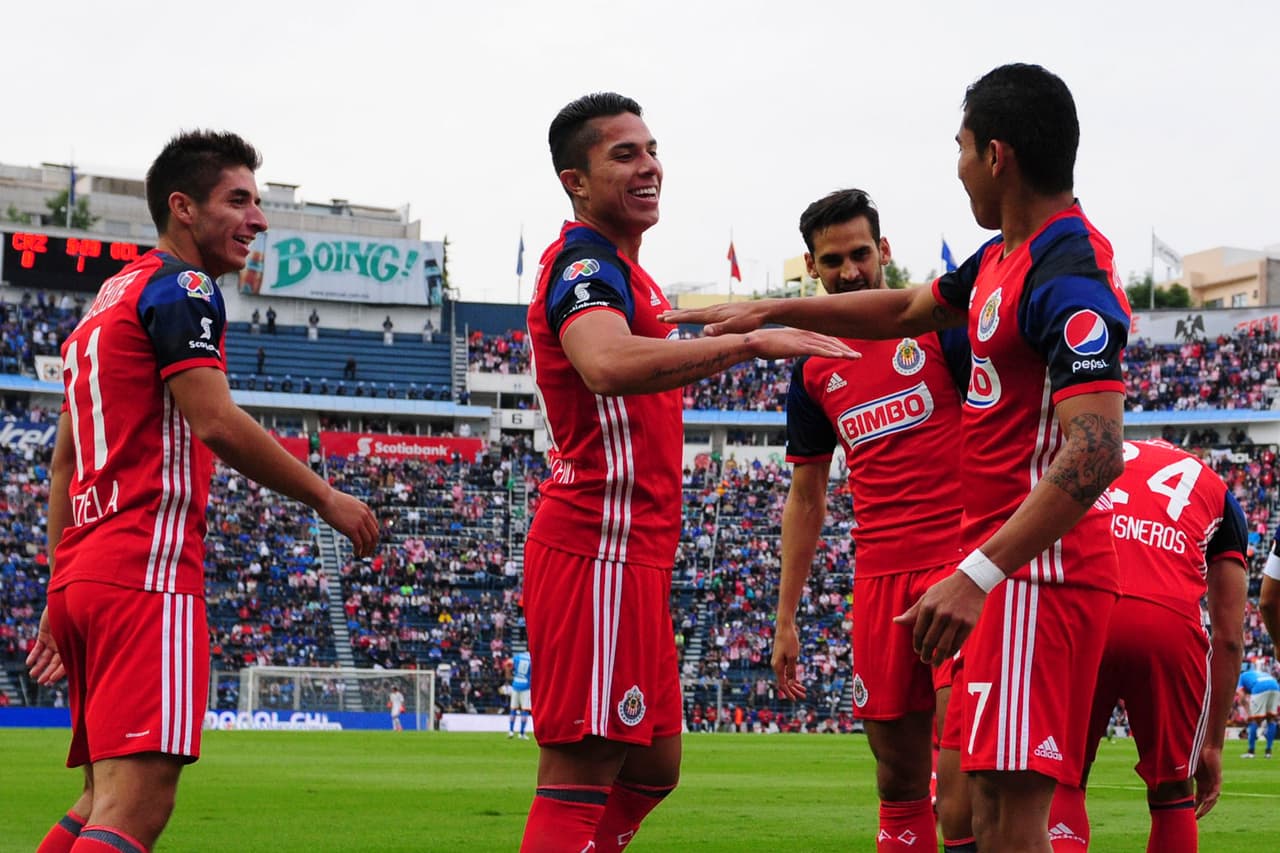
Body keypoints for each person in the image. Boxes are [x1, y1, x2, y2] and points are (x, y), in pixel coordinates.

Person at [662, 64, 1131, 851]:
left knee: (1002, 817)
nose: (955, 164)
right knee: (983, 813)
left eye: (960, 146)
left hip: (1024, 575)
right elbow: (907, 306)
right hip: (985, 574)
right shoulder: (1001, 260)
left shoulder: (1067, 273)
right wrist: (773, 309)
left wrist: (977, 570)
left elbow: (1098, 450)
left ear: (996, 157)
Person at [23, 130, 380, 853]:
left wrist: (58, 585)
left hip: (86, 573)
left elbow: (63, 464)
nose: (258, 218)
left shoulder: (106, 299)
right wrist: (325, 497)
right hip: (143, 573)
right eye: (238, 200)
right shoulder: (183, 288)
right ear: (183, 208)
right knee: (134, 809)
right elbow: (215, 420)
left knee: (98, 796)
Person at [521, 92, 856, 853]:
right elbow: (603, 363)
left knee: (654, 767)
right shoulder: (582, 263)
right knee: (580, 776)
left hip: (635, 554)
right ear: (575, 180)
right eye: (624, 154)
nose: (649, 167)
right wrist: (750, 345)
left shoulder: (636, 278)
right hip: (594, 549)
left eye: (651, 150)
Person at [773, 188, 972, 852]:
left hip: (960, 566)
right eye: (834, 260)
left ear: (884, 249)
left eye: (861, 253)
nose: (851, 270)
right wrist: (786, 616)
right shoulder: (810, 369)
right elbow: (806, 496)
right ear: (813, 266)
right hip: (880, 579)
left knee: (965, 778)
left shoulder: (941, 326)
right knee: (898, 780)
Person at [1049, 439, 1247, 852]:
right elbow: (1229, 638)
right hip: (1168, 623)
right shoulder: (1214, 487)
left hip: (1087, 608)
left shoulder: (1087, 454)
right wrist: (1211, 745)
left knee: (1063, 778)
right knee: (1173, 793)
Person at [1237, 660, 1280, 759]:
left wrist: (1249, 714)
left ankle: (1251, 752)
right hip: (1275, 686)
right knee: (1271, 719)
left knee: (1254, 721)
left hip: (1260, 687)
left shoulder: (1241, 677)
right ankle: (1268, 752)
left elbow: (1242, 697)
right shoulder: (1258, 673)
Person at [509, 649, 533, 740]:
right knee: (525, 711)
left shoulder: (518, 656)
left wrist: (511, 675)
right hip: (526, 687)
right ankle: (521, 733)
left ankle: (511, 731)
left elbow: (508, 663)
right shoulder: (531, 659)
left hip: (516, 684)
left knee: (513, 709)